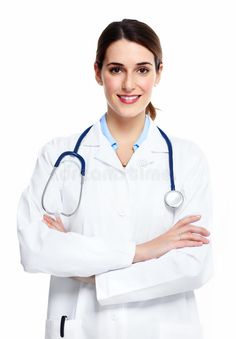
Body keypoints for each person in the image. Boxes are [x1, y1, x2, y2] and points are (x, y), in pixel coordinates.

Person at [17, 18, 214, 339]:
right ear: (98, 72)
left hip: (163, 328)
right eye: (116, 69)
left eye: (142, 69)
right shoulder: (59, 155)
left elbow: (194, 265)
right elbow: (35, 249)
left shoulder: (187, 159)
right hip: (83, 327)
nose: (128, 85)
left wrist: (94, 275)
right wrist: (146, 250)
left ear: (159, 73)